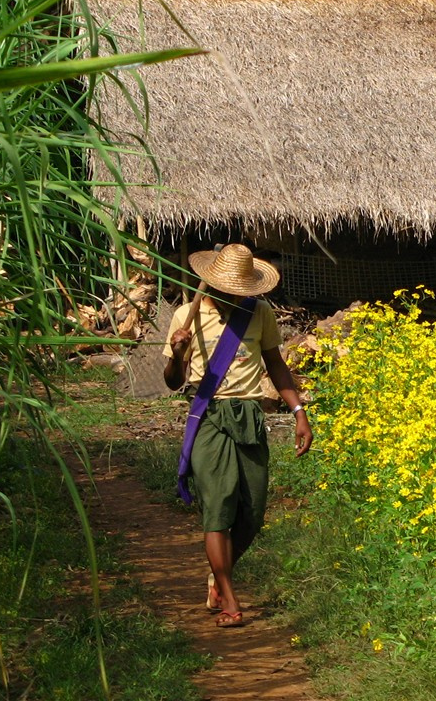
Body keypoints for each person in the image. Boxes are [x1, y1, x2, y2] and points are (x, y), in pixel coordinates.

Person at [162, 243, 313, 628]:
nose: (238, 291)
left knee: (253, 512)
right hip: (209, 416)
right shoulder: (187, 315)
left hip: (248, 415)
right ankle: (229, 597)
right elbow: (173, 382)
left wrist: (299, 412)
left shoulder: (258, 313)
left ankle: (218, 576)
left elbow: (277, 367)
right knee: (218, 508)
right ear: (212, 281)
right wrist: (178, 354)